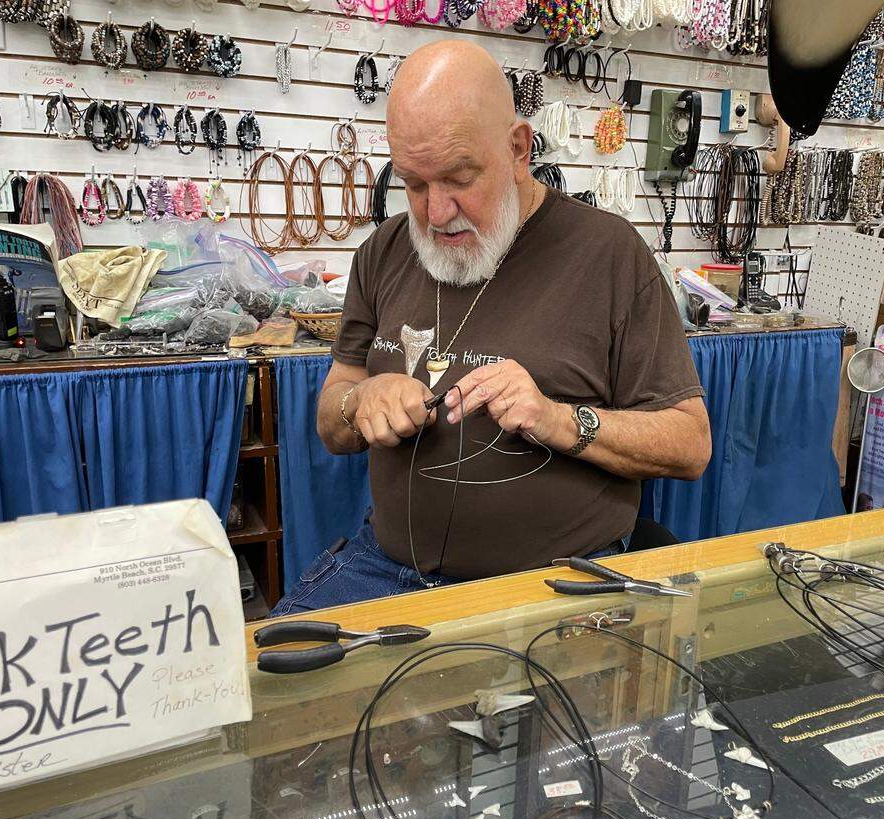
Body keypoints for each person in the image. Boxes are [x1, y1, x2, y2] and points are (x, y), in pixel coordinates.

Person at [271, 40, 710, 615]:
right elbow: (333, 420)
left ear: (518, 148)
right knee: (270, 693)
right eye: (413, 183)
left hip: (553, 587)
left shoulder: (609, 254)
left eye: (458, 177)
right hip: (383, 570)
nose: (434, 212)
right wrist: (361, 401)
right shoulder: (382, 251)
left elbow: (689, 444)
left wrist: (556, 419)